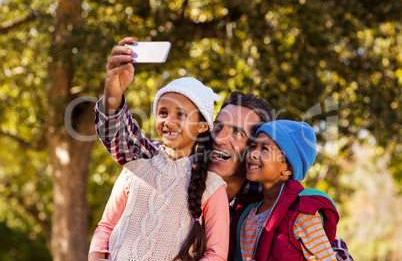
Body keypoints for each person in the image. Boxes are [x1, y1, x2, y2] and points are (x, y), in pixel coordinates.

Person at [93, 37, 353, 260]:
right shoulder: (176, 166)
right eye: (218, 126)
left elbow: (322, 242)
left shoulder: (264, 200)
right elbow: (122, 139)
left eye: (238, 133)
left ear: (254, 150)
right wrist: (113, 94)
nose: (220, 138)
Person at [89, 74, 230, 259]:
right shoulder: (135, 168)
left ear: (202, 126)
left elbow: (216, 254)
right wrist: (96, 256)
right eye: (163, 113)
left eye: (181, 114)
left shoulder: (212, 186)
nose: (169, 121)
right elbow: (106, 226)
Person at [229, 120, 339, 260]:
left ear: (288, 168)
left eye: (265, 149)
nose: (253, 154)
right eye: (253, 146)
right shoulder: (247, 215)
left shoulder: (303, 214)